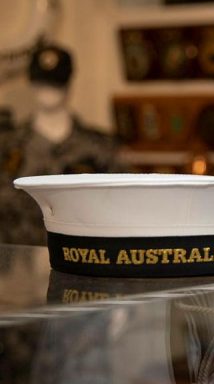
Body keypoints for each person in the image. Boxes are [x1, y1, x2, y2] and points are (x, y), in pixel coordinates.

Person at [0, 43, 123, 245]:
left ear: (69, 83)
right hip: (17, 263)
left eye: (56, 83)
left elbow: (119, 206)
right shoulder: (8, 146)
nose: (48, 91)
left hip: (81, 257)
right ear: (31, 83)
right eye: (42, 83)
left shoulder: (99, 147)